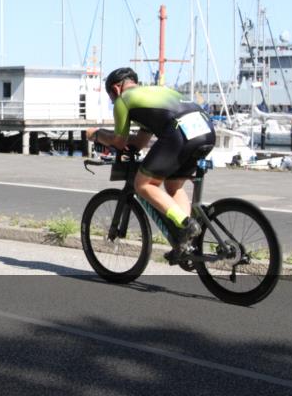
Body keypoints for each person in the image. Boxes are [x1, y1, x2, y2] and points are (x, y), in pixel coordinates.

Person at [86, 67, 216, 263]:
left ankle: (186, 223)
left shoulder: (123, 100)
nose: (113, 101)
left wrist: (96, 134)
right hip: (205, 130)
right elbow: (139, 142)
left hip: (179, 132)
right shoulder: (152, 94)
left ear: (116, 88)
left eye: (111, 97)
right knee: (173, 185)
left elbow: (119, 141)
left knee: (143, 184)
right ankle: (184, 240)